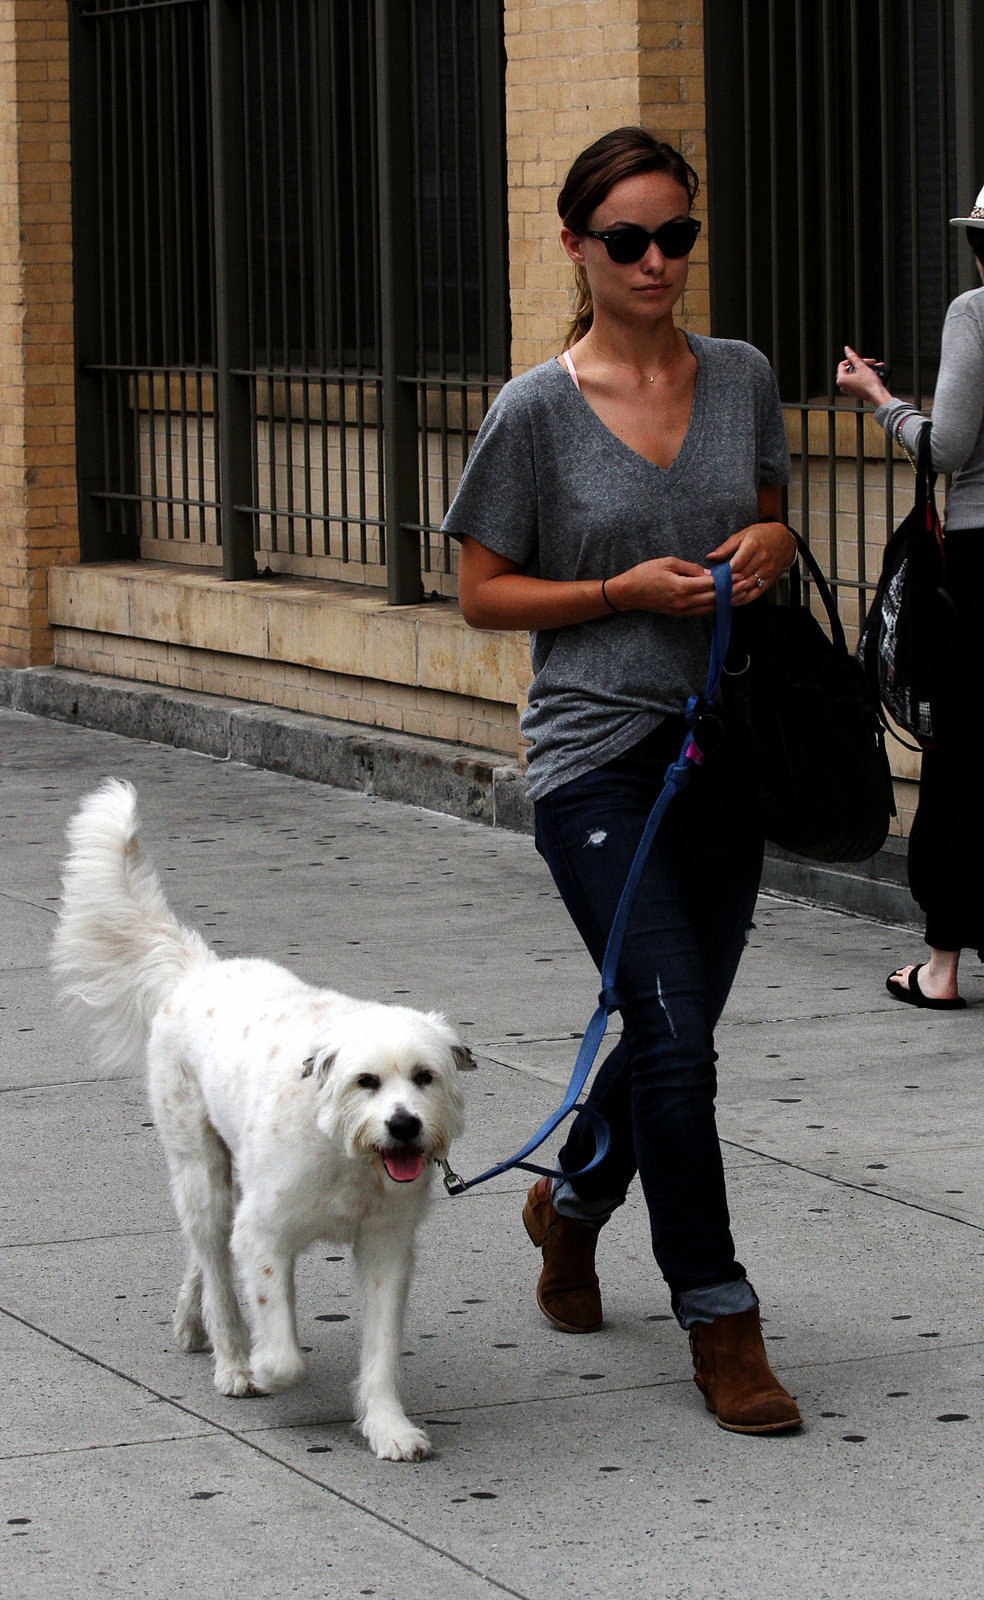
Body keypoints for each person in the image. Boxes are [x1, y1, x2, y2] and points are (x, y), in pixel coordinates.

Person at [442, 127, 801, 1434]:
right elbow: (483, 591)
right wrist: (614, 591)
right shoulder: (535, 409)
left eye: (678, 237)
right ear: (576, 246)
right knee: (676, 1045)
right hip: (597, 764)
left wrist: (766, 539)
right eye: (630, 240)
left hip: (724, 751)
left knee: (671, 1033)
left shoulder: (745, 376)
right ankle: (721, 1316)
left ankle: (571, 1206)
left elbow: (766, 520)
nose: (658, 262)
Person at [836, 182, 984, 1010]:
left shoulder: (975, 312)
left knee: (961, 755)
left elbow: (949, 443)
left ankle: (942, 967)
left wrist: (877, 399)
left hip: (978, 565)